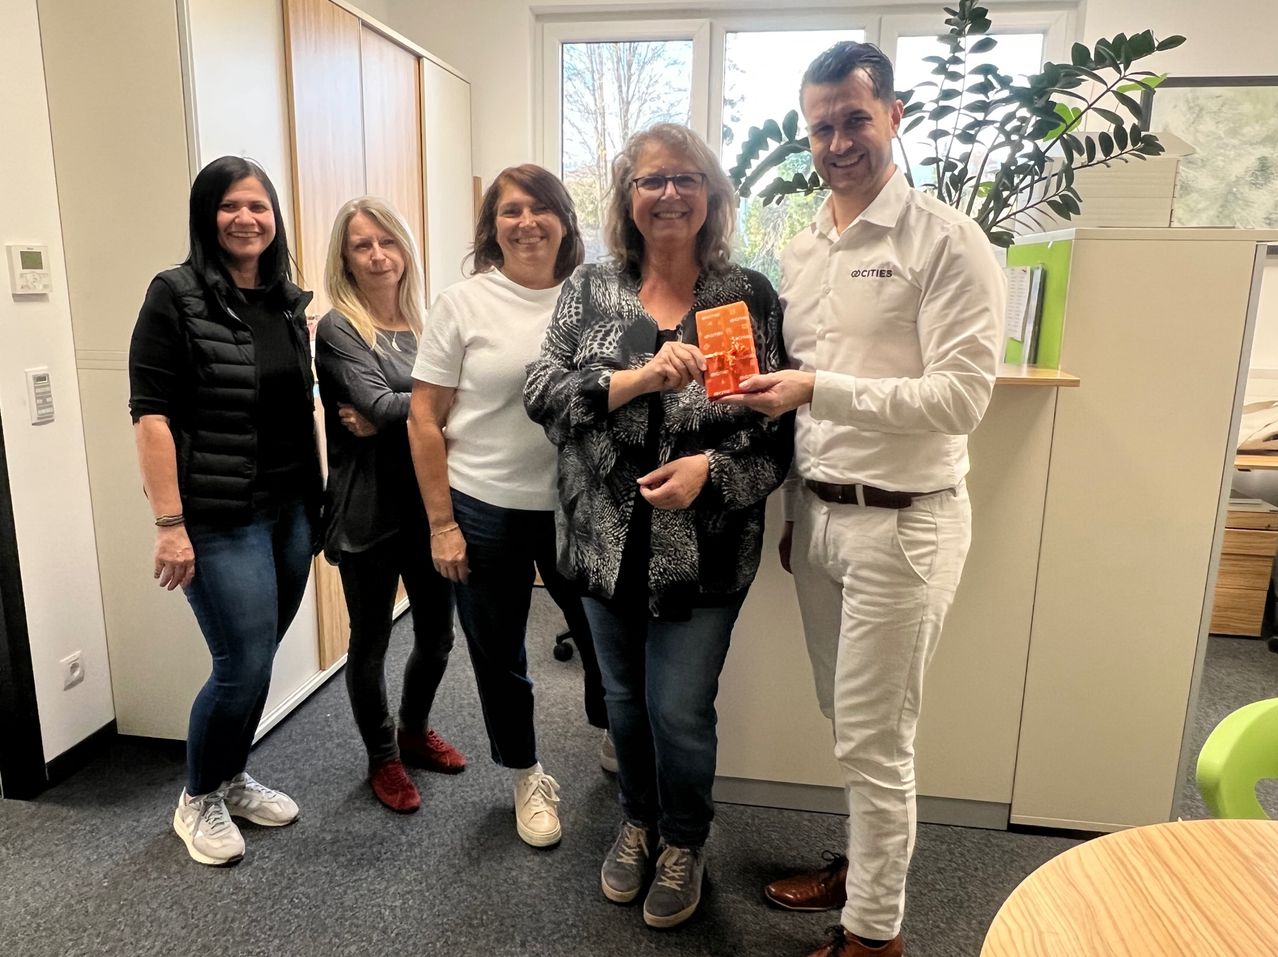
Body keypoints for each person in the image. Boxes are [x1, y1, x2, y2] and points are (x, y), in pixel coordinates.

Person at [721, 42, 1005, 957]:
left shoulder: (948, 241)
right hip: (828, 524)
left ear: (894, 114)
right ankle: (864, 866)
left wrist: (818, 389)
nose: (838, 141)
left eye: (854, 118)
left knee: (879, 738)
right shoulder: (804, 249)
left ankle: (875, 933)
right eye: (821, 126)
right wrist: (802, 515)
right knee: (850, 724)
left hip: (909, 524)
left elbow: (962, 398)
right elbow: (802, 402)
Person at [524, 123, 792, 930]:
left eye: (686, 178)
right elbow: (541, 391)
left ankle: (683, 840)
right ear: (627, 199)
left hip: (704, 547)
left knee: (677, 706)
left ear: (710, 196)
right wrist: (634, 377)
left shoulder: (745, 294)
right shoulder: (592, 290)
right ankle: (636, 823)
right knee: (623, 702)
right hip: (604, 540)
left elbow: (772, 433)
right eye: (650, 181)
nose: (668, 193)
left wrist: (711, 473)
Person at [128, 156, 322, 866]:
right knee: (239, 661)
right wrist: (169, 523)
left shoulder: (285, 303)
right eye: (231, 206)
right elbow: (150, 416)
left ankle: (233, 777)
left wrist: (320, 501)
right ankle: (196, 797)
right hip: (217, 513)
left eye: (259, 206)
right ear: (207, 216)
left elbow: (298, 411)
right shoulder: (174, 296)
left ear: (275, 219)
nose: (247, 218)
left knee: (260, 654)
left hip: (289, 510)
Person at [407, 163, 601, 849]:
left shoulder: (595, 296)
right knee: (500, 652)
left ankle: (609, 730)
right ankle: (526, 773)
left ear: (565, 222)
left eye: (540, 208)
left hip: (578, 502)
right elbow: (423, 418)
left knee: (603, 640)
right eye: (510, 211)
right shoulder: (463, 303)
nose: (526, 222)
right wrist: (441, 524)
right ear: (493, 227)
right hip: (485, 504)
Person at [314, 197, 466, 815]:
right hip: (368, 509)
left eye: (388, 242)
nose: (378, 255)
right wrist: (435, 408)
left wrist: (406, 411)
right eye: (362, 245)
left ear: (406, 250)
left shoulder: (430, 323)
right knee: (371, 640)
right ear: (345, 259)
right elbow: (374, 409)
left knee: (436, 638)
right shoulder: (340, 327)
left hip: (432, 505)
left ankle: (412, 731)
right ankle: (383, 758)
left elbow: (389, 408)